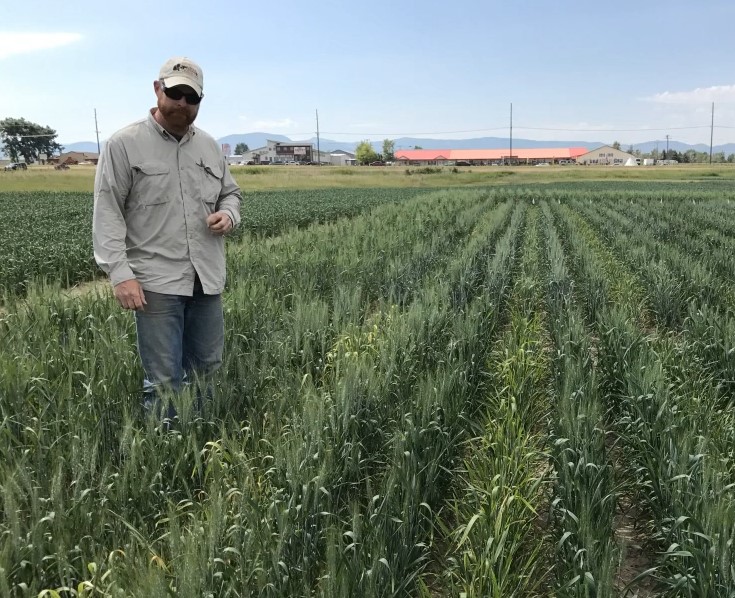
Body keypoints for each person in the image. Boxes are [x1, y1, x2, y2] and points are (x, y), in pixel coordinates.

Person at [93, 56, 242, 420]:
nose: (182, 104)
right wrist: (120, 274)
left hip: (206, 277)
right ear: (158, 89)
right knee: (163, 379)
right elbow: (107, 210)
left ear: (199, 102)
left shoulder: (209, 146)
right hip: (155, 281)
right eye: (175, 93)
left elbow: (231, 193)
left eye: (191, 98)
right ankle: (166, 455)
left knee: (208, 367)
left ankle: (203, 441)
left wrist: (229, 214)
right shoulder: (123, 145)